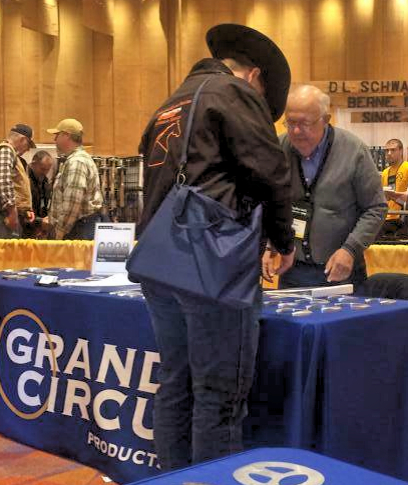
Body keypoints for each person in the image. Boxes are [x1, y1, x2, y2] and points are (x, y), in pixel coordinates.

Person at [137, 23, 295, 471]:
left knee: (175, 384)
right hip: (212, 264)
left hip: (160, 262)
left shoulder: (172, 102)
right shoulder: (234, 93)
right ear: (255, 76)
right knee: (219, 395)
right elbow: (272, 173)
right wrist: (283, 240)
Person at [277, 84, 387, 289]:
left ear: (326, 120)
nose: (296, 131)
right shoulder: (278, 148)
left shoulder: (354, 151)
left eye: (305, 123)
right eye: (290, 123)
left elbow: (375, 208)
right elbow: (269, 202)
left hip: (342, 271)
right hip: (292, 271)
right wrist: (269, 245)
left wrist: (350, 249)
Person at [46, 118, 103, 239]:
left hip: (77, 230)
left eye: (57, 135)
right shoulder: (78, 159)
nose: (54, 139)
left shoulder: (76, 162)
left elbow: (73, 202)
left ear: (66, 135)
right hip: (79, 227)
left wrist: (59, 233)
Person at [0, 124, 36, 238]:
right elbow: (3, 180)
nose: (28, 149)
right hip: (6, 216)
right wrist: (12, 212)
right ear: (22, 139)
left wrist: (26, 210)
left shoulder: (10, 153)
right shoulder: (6, 150)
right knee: (7, 248)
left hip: (10, 214)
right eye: (28, 144)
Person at [24, 150, 53, 238]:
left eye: (47, 170)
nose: (45, 173)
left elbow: (44, 204)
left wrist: (42, 224)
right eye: (42, 169)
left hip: (37, 227)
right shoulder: (24, 180)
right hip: (24, 228)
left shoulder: (45, 181)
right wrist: (39, 222)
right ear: (33, 164)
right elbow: (22, 209)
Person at [381, 139, 408, 233]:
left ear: (401, 151)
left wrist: (392, 195)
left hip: (400, 217)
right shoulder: (385, 172)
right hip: (385, 217)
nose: (389, 153)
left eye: (393, 150)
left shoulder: (406, 168)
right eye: (387, 150)